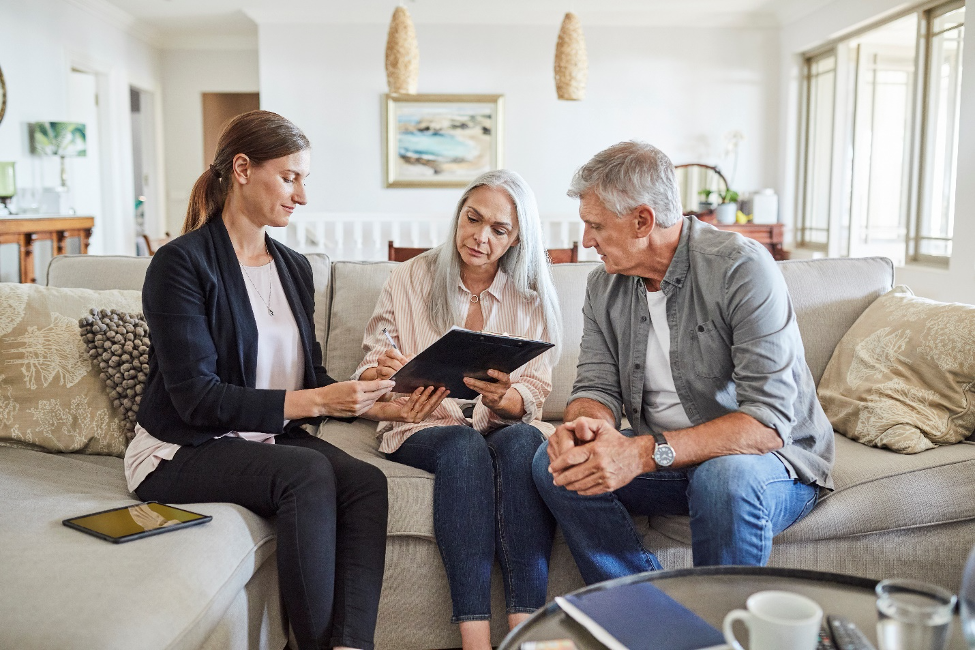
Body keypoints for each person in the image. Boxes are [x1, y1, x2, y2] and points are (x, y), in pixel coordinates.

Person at [128, 110, 443, 650]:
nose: (300, 195)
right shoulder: (181, 264)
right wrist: (322, 398)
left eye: (305, 181)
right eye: (290, 177)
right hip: (182, 449)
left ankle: (350, 644)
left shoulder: (294, 267)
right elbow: (196, 399)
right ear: (243, 169)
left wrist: (376, 404)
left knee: (366, 483)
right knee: (305, 473)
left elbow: (311, 379)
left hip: (263, 440)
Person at [532, 141, 834, 584]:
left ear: (642, 220)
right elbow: (595, 387)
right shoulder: (604, 286)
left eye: (595, 225)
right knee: (552, 462)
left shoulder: (739, 268)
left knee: (722, 477)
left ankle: (718, 631)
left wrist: (641, 452)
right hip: (670, 461)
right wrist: (585, 426)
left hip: (769, 461)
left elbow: (766, 423)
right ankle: (644, 608)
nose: (586, 240)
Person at [354, 169, 562, 650]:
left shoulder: (529, 297)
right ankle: (475, 641)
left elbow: (533, 393)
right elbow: (368, 369)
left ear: (515, 241)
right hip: (423, 423)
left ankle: (525, 631)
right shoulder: (409, 278)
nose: (480, 237)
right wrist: (385, 370)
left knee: (525, 443)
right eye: (473, 219)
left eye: (499, 230)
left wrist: (502, 397)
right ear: (458, 215)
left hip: (499, 423)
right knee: (464, 447)